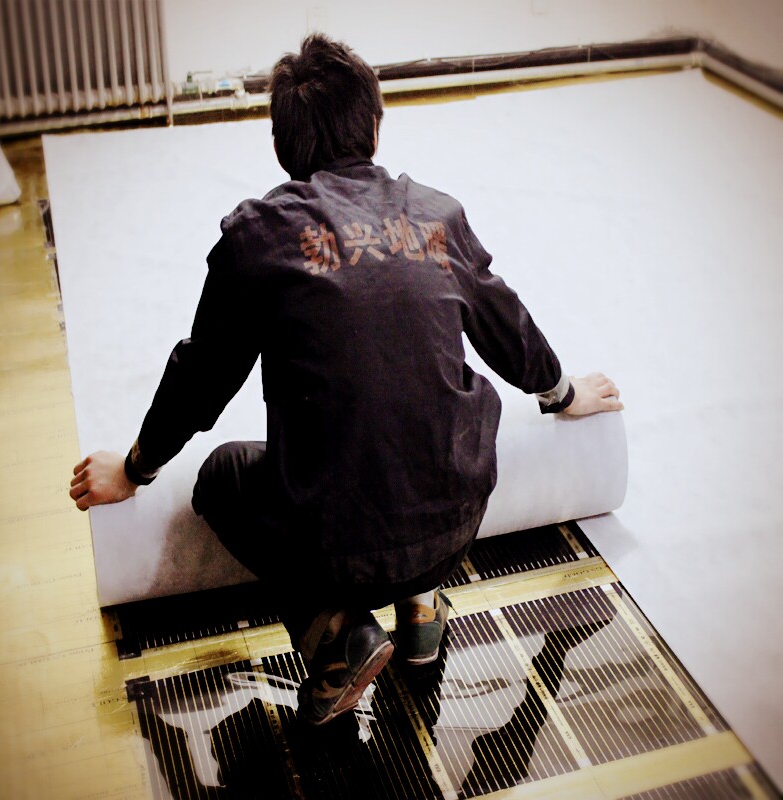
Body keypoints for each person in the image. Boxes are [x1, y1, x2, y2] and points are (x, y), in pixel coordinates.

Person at [70, 34, 623, 726]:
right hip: (456, 518)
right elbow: (505, 322)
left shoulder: (258, 237)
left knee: (220, 477)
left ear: (282, 145)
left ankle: (337, 636)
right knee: (416, 438)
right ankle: (420, 609)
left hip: (334, 545)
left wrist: (134, 469)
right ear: (375, 126)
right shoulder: (437, 216)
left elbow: (203, 375)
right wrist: (564, 394)